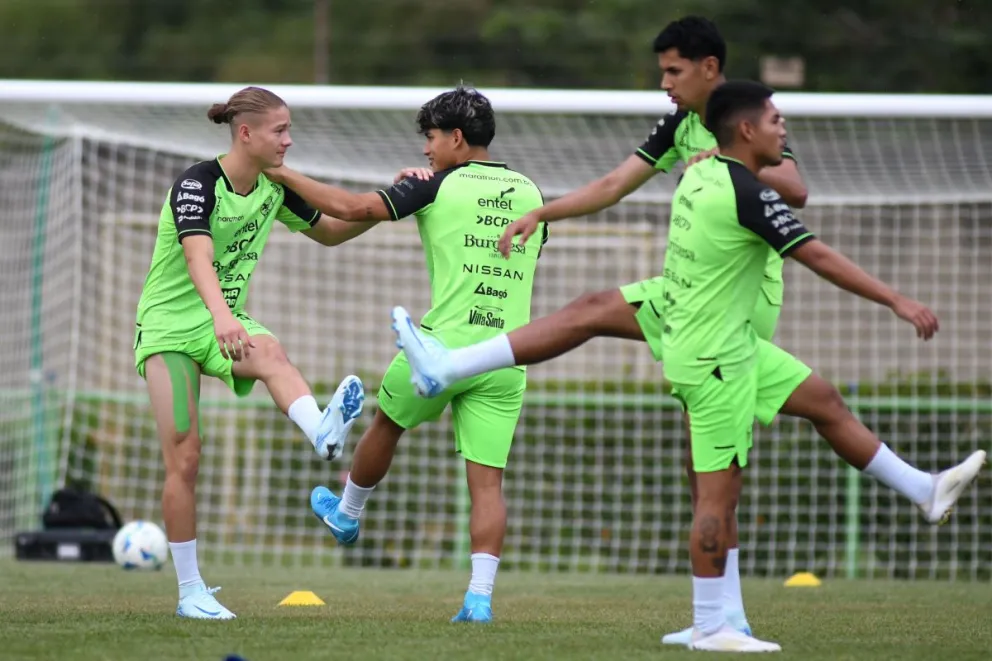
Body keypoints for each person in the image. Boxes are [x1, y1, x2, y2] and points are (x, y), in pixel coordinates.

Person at [391, 16, 804, 641]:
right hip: (690, 301)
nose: (663, 83)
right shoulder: (676, 125)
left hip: (732, 309)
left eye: (672, 70)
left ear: (708, 69)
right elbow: (614, 185)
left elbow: (795, 190)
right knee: (717, 455)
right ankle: (729, 616)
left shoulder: (744, 118)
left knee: (723, 466)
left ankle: (723, 622)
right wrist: (543, 210)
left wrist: (724, 163)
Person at [651, 79, 984, 652]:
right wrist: (896, 300)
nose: (785, 128)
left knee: (823, 400)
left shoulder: (700, 173)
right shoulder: (744, 192)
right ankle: (712, 626)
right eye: (776, 119)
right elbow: (818, 254)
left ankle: (923, 489)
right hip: (717, 361)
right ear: (747, 129)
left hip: (722, 345)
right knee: (715, 493)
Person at [264, 87, 549, 624]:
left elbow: (350, 209)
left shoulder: (437, 186)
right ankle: (479, 599)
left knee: (385, 426)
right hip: (506, 355)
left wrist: (282, 175)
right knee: (487, 483)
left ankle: (347, 516)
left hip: (438, 346)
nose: (426, 150)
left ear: (457, 138)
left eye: (432, 138)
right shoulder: (531, 190)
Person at [135, 86, 382, 619]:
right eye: (280, 130)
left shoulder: (273, 187)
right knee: (186, 454)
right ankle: (190, 592)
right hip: (171, 327)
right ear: (245, 133)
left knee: (272, 353)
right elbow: (197, 254)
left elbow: (334, 232)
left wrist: (389, 206)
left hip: (224, 320)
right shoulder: (197, 183)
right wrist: (223, 315)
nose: (289, 140)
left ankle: (321, 430)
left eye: (289, 130)